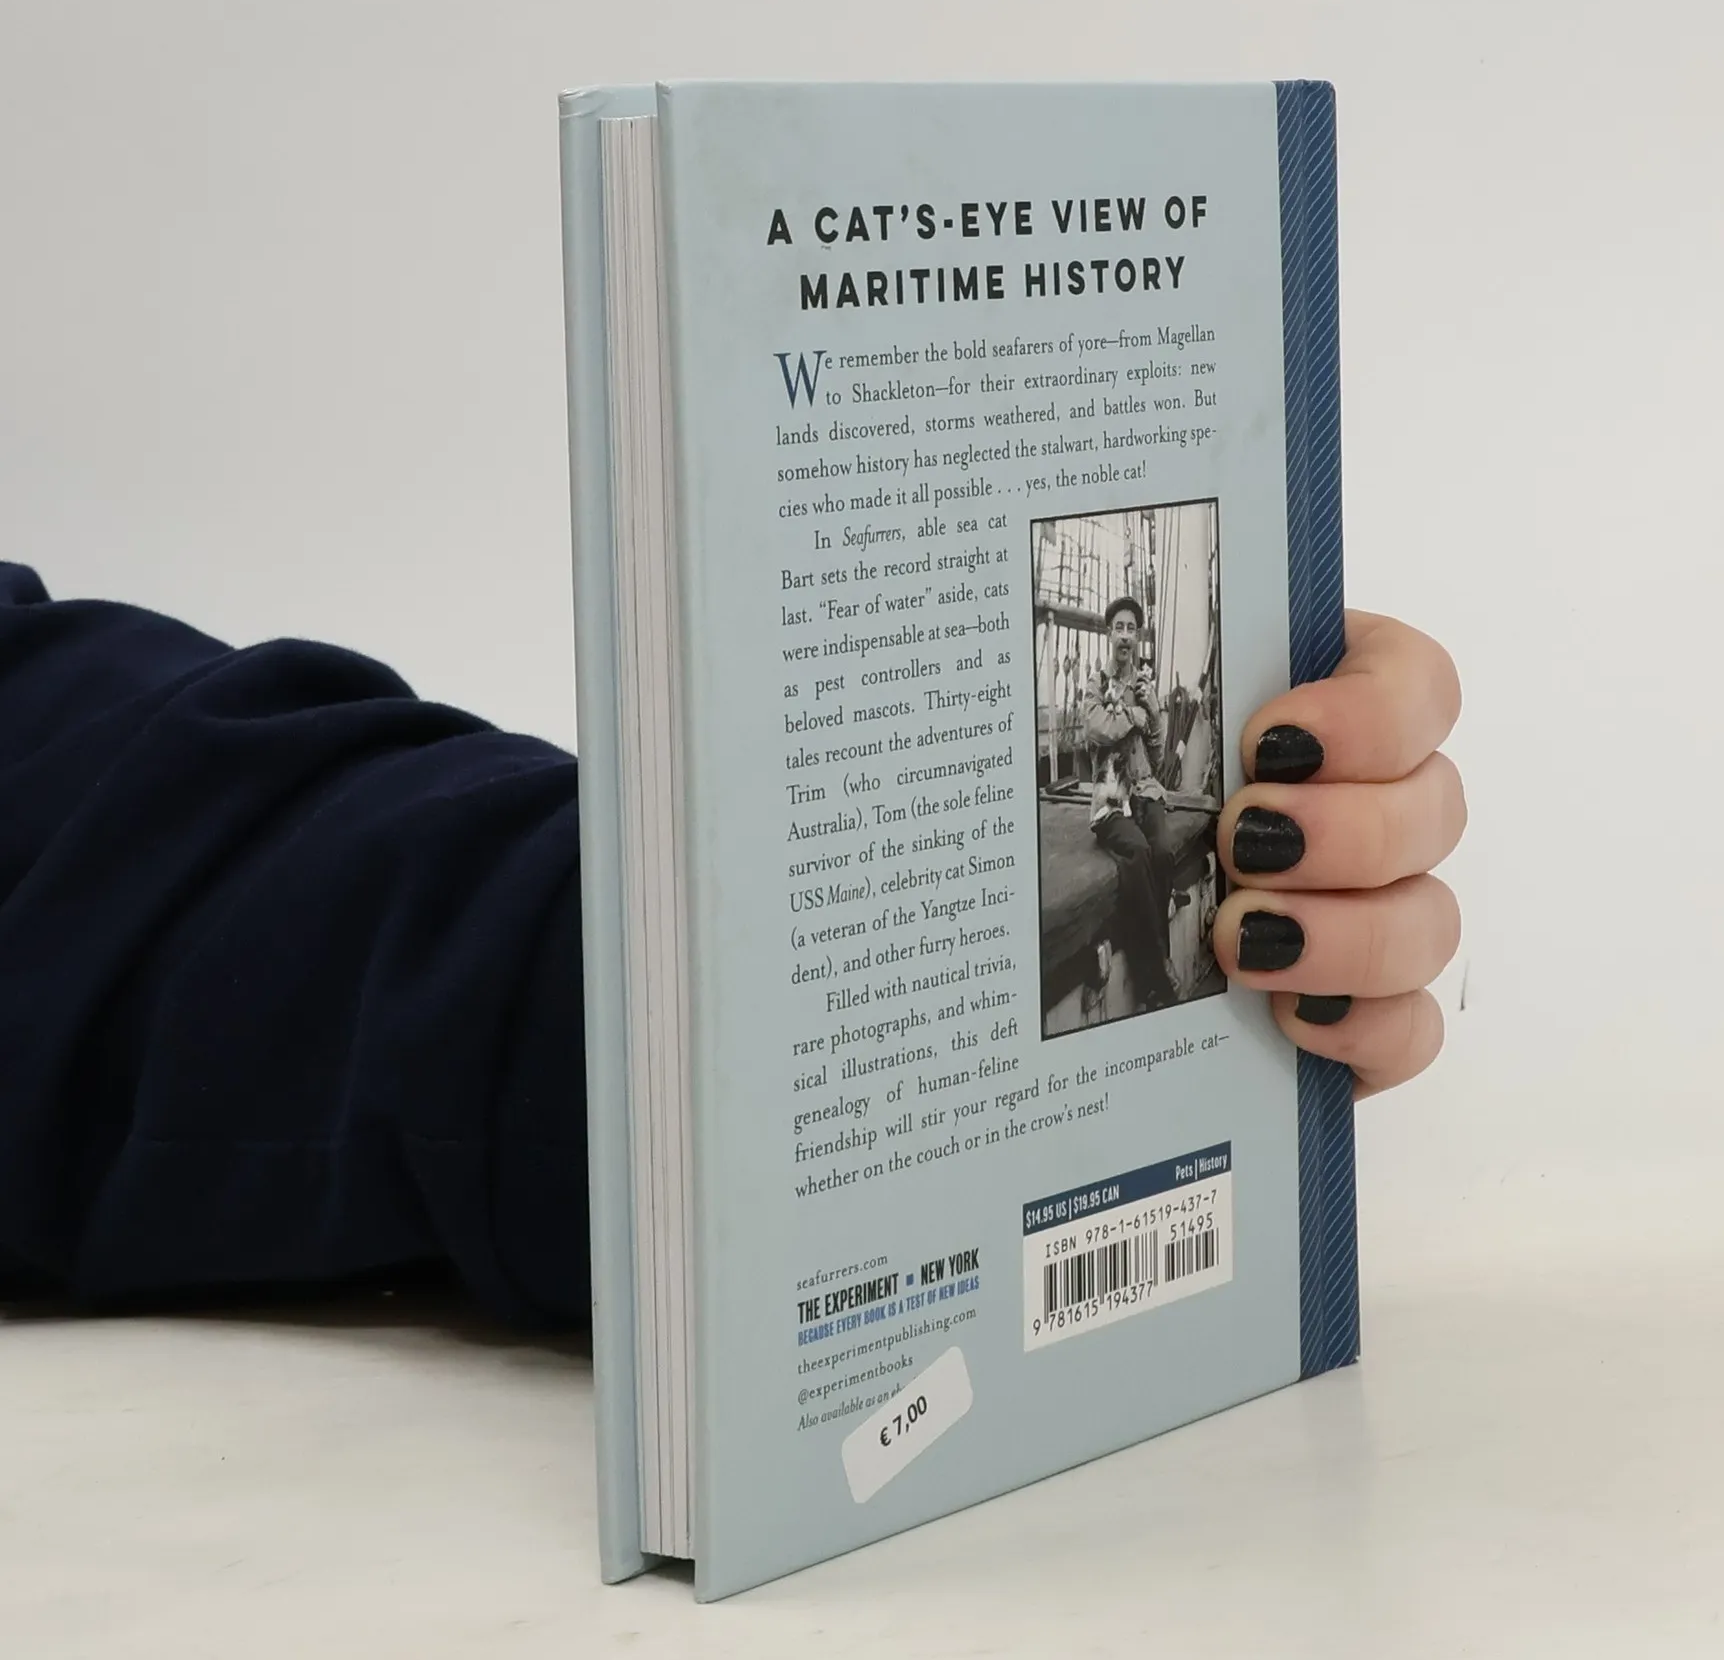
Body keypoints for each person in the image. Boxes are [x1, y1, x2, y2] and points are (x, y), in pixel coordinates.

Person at [0, 566, 1466, 1329]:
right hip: (1083, 813)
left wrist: (664, 954)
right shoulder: (1089, 698)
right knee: (1140, 862)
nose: (1135, 651)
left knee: (1174, 864)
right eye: (1126, 636)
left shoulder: (1140, 699)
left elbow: (116, 828)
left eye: (1141, 641)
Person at [1081, 594, 1180, 1010]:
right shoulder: (1095, 683)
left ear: (1137, 637)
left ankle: (1156, 971)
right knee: (1137, 851)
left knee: (1163, 852)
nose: (1125, 636)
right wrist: (1132, 716)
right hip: (1111, 797)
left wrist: (1153, 713)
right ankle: (1158, 970)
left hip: (1144, 791)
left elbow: (1155, 756)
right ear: (1110, 634)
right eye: (1118, 628)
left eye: (1131, 629)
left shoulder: (1144, 687)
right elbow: (1097, 728)